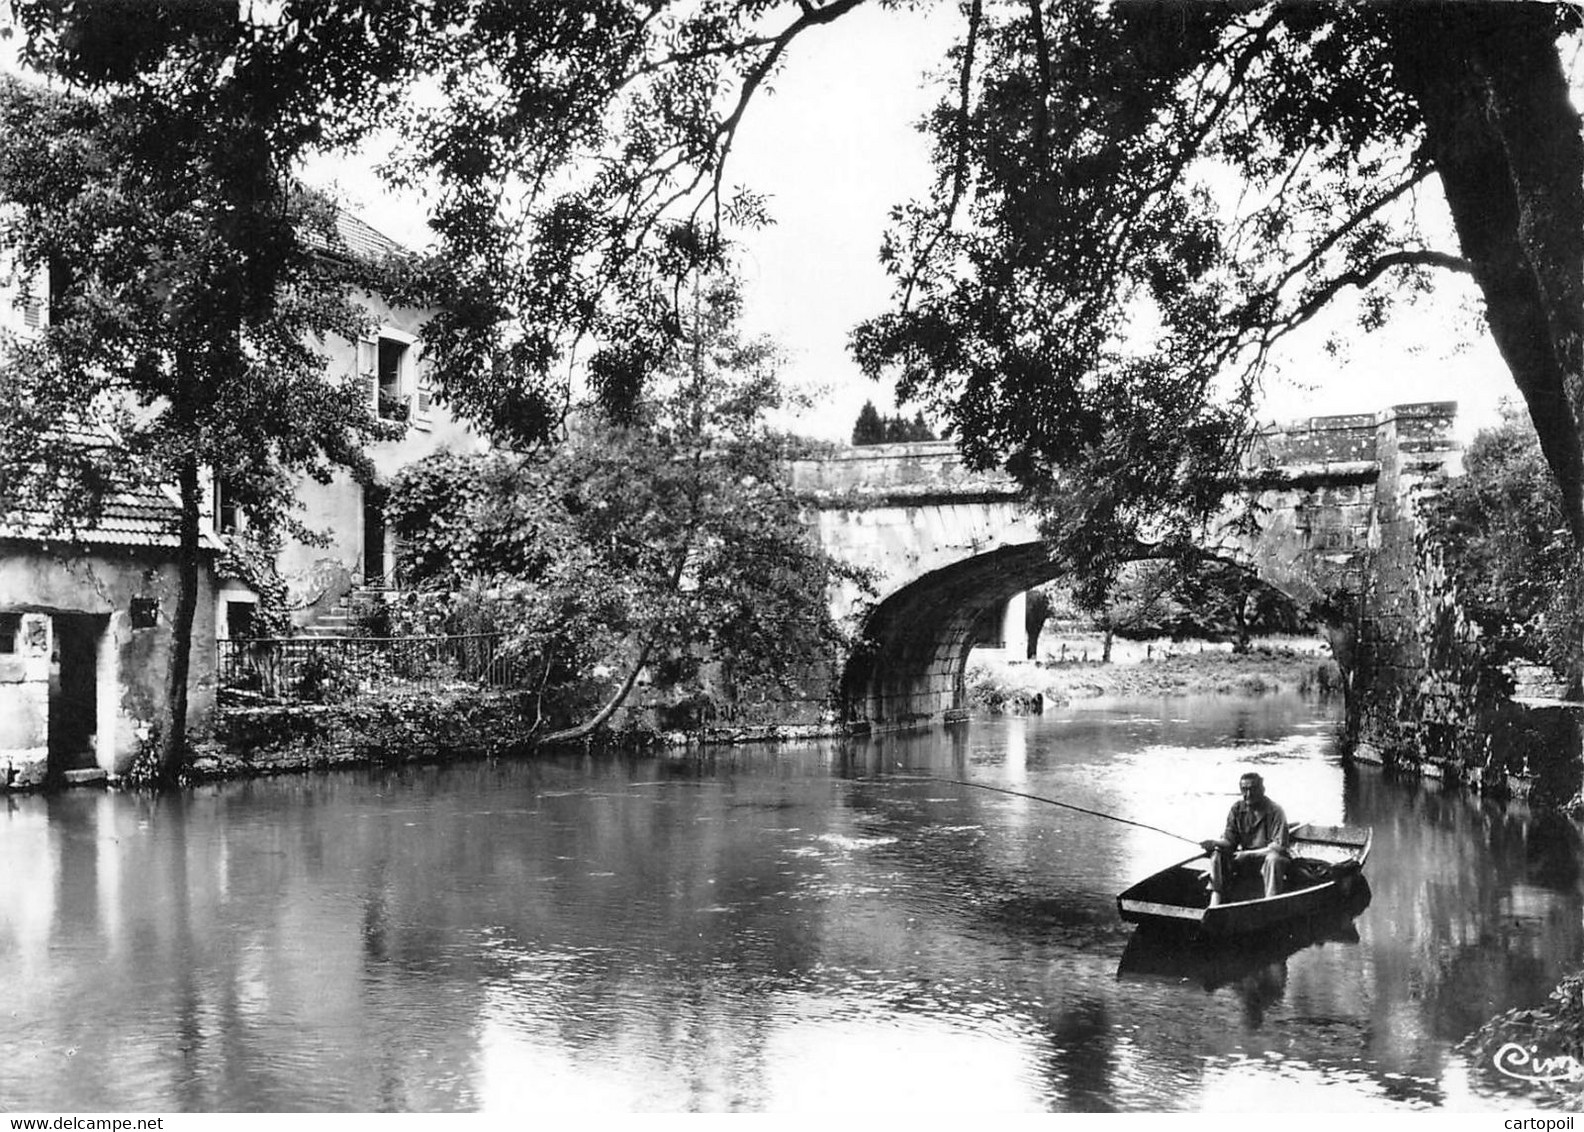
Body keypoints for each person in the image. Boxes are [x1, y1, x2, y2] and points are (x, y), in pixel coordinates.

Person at [1199, 771, 1290, 905]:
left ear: (1262, 790)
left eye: (1252, 789)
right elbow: (1230, 840)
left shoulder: (1275, 810)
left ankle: (1271, 902)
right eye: (1244, 789)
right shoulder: (1237, 809)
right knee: (1217, 853)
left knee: (1274, 859)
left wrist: (1248, 854)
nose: (1248, 794)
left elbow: (1279, 847)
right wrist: (1214, 843)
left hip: (1269, 859)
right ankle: (1216, 898)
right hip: (1246, 859)